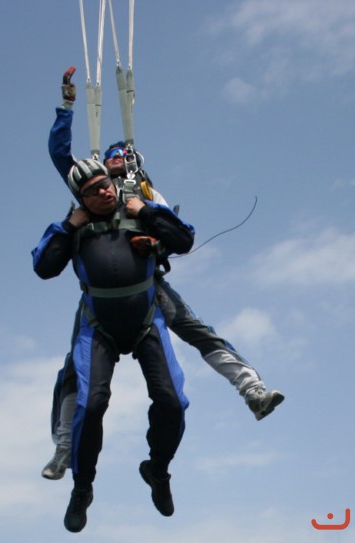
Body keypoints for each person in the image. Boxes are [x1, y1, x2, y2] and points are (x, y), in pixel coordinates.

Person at [41, 68, 284, 481]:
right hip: (100, 299)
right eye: (112, 156)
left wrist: (153, 244)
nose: (117, 162)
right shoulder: (90, 188)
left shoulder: (145, 193)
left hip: (148, 288)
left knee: (197, 332)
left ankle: (251, 389)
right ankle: (65, 445)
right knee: (76, 372)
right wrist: (66, 107)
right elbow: (61, 157)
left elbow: (176, 235)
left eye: (124, 157)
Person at [32, 159, 195, 532]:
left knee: (172, 402)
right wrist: (69, 225)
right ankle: (82, 488)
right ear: (82, 199)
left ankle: (157, 471)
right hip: (98, 326)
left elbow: (183, 241)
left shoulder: (139, 208)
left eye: (105, 184)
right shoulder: (73, 226)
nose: (105, 192)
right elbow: (44, 268)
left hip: (145, 320)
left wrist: (147, 213)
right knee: (90, 406)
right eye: (93, 191)